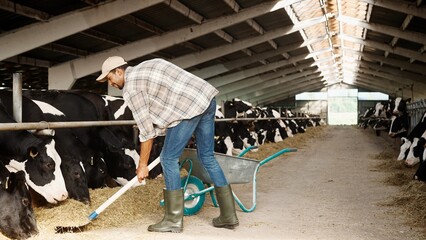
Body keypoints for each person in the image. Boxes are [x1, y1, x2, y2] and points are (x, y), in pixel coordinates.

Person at [96, 56, 239, 233]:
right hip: (206, 98)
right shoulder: (147, 65)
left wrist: (142, 165)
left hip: (188, 109)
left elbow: (147, 133)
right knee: (207, 156)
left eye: (110, 78)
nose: (110, 83)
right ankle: (228, 216)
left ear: (119, 71)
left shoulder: (131, 89)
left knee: (168, 159)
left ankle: (173, 220)